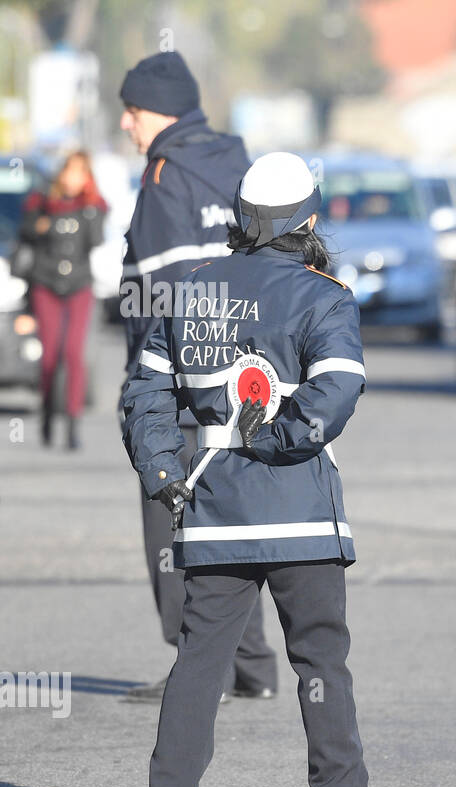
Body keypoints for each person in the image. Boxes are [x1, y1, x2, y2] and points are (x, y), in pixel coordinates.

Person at [121, 151, 390, 787]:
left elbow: (144, 394)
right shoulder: (325, 295)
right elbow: (338, 391)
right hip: (301, 513)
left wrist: (159, 473)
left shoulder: (189, 291)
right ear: (307, 218)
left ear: (241, 218)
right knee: (320, 661)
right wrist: (280, 438)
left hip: (213, 512)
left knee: (199, 660)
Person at [116, 50, 275, 703]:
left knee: (172, 516)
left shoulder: (163, 176)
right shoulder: (236, 165)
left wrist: (146, 384)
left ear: (156, 112)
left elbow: (158, 293)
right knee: (230, 519)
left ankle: (196, 666)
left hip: (181, 384)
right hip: (248, 379)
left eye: (130, 112)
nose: (126, 125)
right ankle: (254, 666)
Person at [18, 150, 106, 449]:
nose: (73, 179)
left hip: (79, 286)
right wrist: (43, 222)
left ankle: (72, 422)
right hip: (46, 284)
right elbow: (26, 230)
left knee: (73, 354)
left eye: (81, 173)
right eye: (70, 171)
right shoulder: (43, 201)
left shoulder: (92, 206)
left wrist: (90, 203)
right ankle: (46, 413)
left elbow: (95, 240)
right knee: (50, 357)